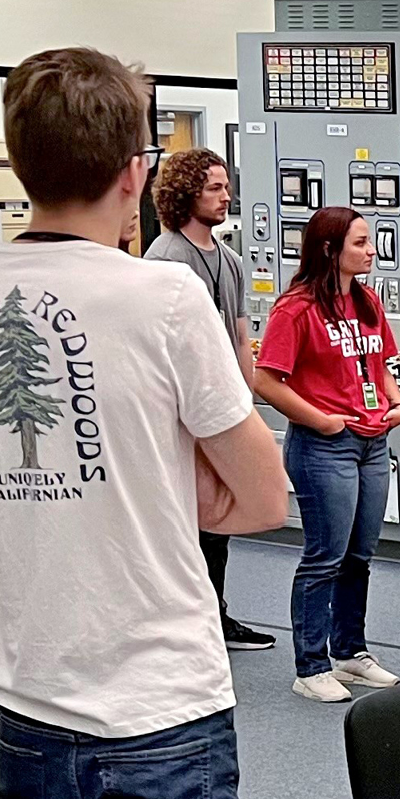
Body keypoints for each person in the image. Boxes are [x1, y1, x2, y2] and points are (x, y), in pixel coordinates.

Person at [0, 47, 287, 799]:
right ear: (135, 174)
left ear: (19, 164)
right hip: (163, 705)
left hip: (31, 700)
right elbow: (267, 495)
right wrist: (160, 491)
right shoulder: (162, 294)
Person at [246, 205, 400, 705]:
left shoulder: (367, 301)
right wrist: (322, 420)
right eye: (360, 243)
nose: (372, 250)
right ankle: (310, 665)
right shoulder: (295, 309)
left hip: (372, 441)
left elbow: (377, 364)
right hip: (325, 447)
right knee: (324, 557)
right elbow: (266, 379)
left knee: (360, 554)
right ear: (330, 249)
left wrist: (396, 401)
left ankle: (350, 652)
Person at [145, 148, 280, 652]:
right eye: (215, 188)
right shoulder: (164, 260)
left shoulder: (231, 260)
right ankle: (186, 623)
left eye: (227, 187)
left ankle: (214, 617)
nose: (227, 197)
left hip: (220, 412)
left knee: (216, 525)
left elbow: (241, 338)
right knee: (184, 526)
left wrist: (244, 408)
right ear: (185, 194)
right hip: (179, 418)